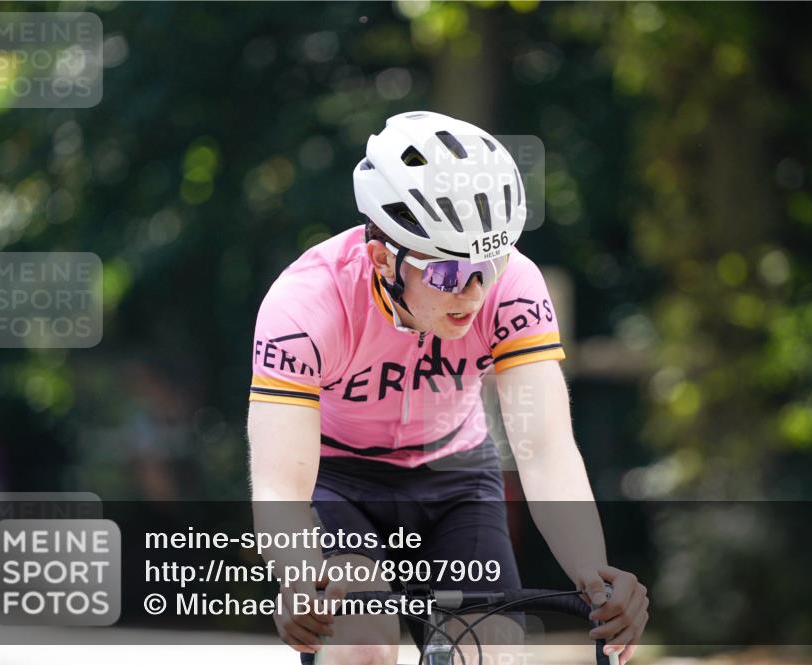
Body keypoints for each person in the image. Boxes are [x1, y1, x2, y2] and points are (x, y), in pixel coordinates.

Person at [247, 111, 649, 665]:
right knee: (360, 639)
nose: (476, 292)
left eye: (491, 261)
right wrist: (300, 576)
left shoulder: (514, 289)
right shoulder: (305, 305)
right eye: (448, 274)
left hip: (455, 478)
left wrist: (595, 575)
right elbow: (279, 486)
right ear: (384, 258)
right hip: (339, 483)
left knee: (492, 654)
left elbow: (546, 449)